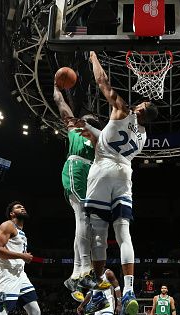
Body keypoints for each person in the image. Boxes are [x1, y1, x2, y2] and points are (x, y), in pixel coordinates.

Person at [83, 50, 159, 315]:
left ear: (140, 108)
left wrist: (93, 57)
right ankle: (128, 290)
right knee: (123, 234)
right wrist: (91, 129)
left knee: (98, 237)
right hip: (124, 173)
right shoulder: (144, 136)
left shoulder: (123, 109)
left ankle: (97, 290)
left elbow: (103, 82)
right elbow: (108, 138)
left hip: (102, 171)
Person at [54, 80, 109, 301]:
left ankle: (76, 275)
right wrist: (58, 89)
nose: (90, 121)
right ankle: (84, 269)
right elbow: (61, 103)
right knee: (83, 218)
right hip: (75, 169)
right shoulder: (74, 128)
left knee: (89, 224)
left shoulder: (98, 141)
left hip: (90, 175)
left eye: (93, 121)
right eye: (87, 119)